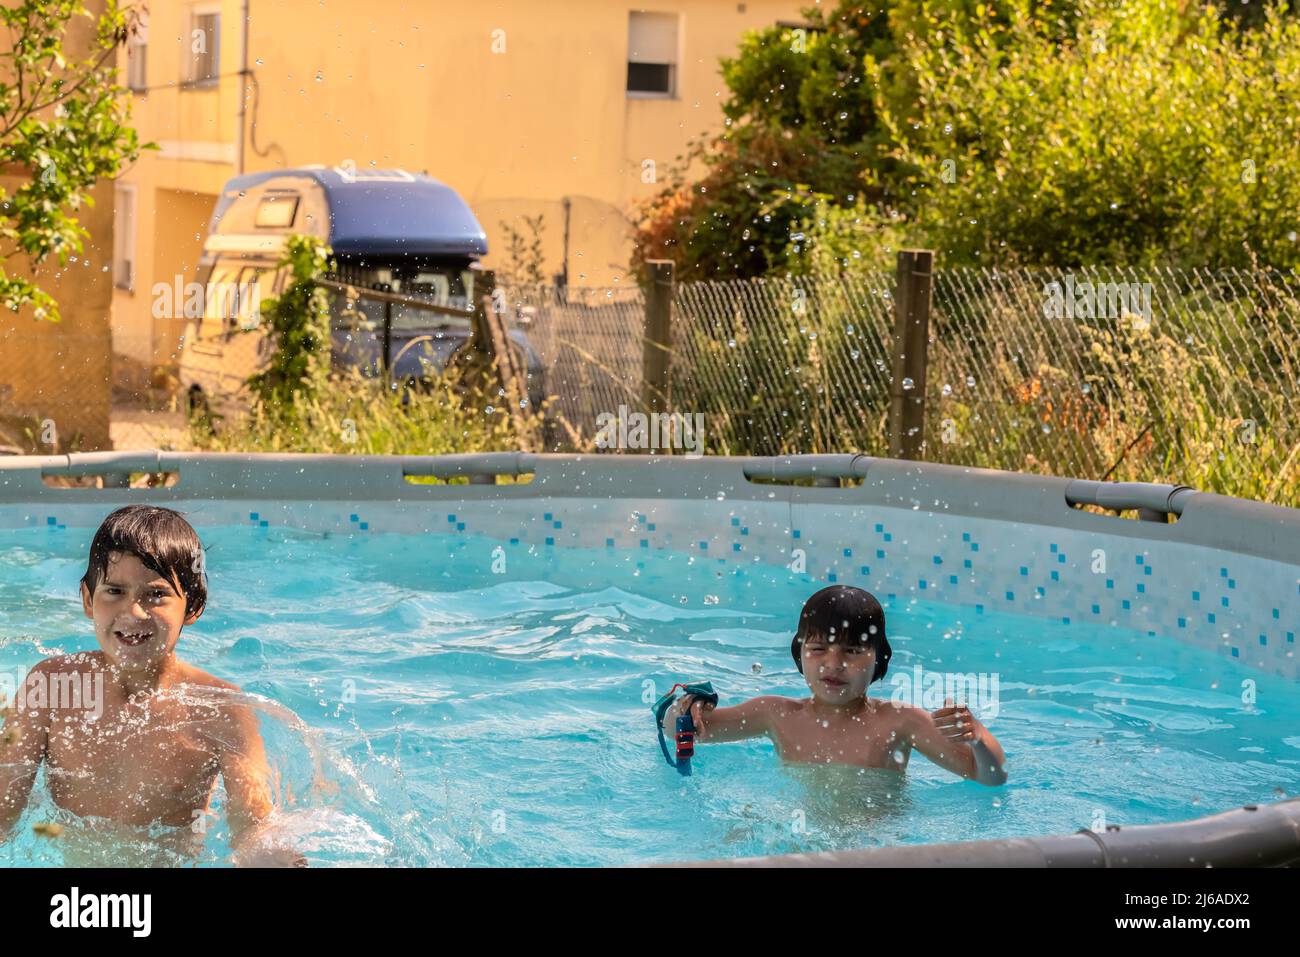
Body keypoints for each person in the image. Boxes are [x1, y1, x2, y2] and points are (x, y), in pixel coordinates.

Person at [0, 504, 304, 865]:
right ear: (86, 599)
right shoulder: (51, 687)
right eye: (114, 591)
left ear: (192, 607)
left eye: (156, 595)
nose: (134, 612)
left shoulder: (221, 709)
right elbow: (5, 806)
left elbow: (252, 826)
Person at [662, 585, 1008, 785]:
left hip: (872, 846)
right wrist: (687, 708)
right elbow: (686, 731)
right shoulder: (775, 714)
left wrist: (976, 736)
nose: (834, 664)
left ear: (879, 659)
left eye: (853, 651)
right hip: (793, 838)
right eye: (818, 649)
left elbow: (989, 777)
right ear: (799, 654)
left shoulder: (899, 722)